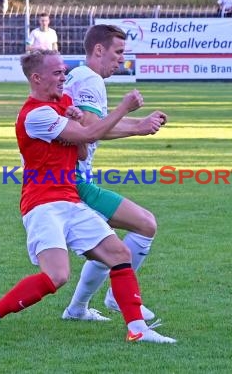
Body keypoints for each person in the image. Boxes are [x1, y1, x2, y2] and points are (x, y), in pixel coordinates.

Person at [0, 49, 176, 344]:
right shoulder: (35, 114)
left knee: (119, 254)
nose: (65, 77)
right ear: (37, 78)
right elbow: (88, 136)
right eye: (58, 73)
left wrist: (74, 120)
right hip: (42, 204)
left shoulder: (63, 104)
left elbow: (82, 151)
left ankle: (137, 329)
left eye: (65, 71)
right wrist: (124, 108)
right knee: (57, 276)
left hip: (71, 199)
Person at [61, 25, 167, 322]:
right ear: (99, 50)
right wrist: (136, 126)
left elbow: (90, 125)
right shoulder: (91, 80)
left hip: (70, 179)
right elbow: (90, 130)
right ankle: (118, 296)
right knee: (145, 224)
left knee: (107, 244)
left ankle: (77, 309)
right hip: (74, 184)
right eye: (118, 52)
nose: (121, 60)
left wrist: (139, 126)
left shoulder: (79, 76)